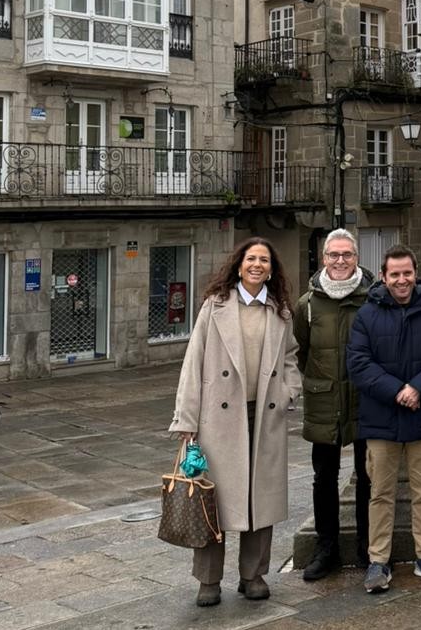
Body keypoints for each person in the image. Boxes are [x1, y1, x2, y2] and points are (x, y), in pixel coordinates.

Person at [169, 238, 300, 608]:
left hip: (265, 416)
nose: (257, 265)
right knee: (214, 502)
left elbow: (290, 356)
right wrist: (187, 419)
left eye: (264, 260)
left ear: (271, 269)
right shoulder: (215, 306)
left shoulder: (280, 312)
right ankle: (208, 580)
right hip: (219, 420)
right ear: (239, 265)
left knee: (261, 501)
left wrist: (290, 389)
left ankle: (253, 575)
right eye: (250, 259)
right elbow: (193, 363)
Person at [345, 243, 421, 594]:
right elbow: (358, 364)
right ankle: (378, 560)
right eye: (394, 274)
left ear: (415, 273)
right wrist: (398, 390)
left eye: (407, 273)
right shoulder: (366, 315)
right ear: (384, 276)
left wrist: (417, 389)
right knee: (379, 493)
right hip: (381, 418)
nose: (401, 280)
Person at [294, 228, 375, 580]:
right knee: (324, 477)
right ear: (324, 258)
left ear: (356, 258)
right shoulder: (307, 305)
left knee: (368, 475)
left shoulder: (373, 298)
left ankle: (367, 545)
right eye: (333, 255)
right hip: (324, 400)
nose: (340, 261)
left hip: (364, 399)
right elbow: (300, 352)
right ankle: (326, 548)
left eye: (347, 255)